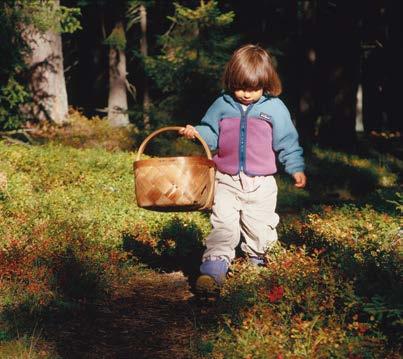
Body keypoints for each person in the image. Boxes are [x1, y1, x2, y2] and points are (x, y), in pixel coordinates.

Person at [179, 44, 306, 294]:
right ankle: (213, 273)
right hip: (225, 179)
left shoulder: (275, 108)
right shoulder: (222, 104)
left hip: (261, 183)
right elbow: (211, 134)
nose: (246, 94)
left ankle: (256, 268)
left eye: (253, 89)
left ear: (266, 83)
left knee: (259, 228)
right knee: (223, 225)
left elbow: (288, 141)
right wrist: (196, 132)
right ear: (230, 81)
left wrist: (296, 167)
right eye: (240, 88)